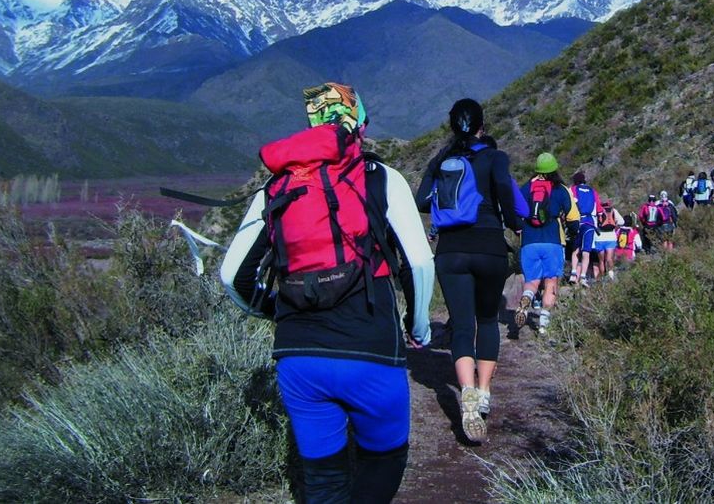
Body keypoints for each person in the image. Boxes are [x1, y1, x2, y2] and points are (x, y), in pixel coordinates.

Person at [220, 82, 434, 503]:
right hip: (371, 350)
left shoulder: (278, 187)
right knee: (385, 460)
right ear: (359, 122)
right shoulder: (380, 178)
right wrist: (418, 325)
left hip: (299, 357)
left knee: (322, 480)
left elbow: (233, 275)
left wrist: (278, 310)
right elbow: (419, 263)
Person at [416, 98, 522, 444]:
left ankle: (467, 394)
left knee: (462, 324)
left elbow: (421, 201)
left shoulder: (443, 160)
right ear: (482, 125)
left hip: (451, 252)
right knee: (488, 320)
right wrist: (514, 223)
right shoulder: (495, 157)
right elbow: (506, 192)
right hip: (490, 247)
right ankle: (484, 388)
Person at [516, 152, 571, 335]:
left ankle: (526, 297)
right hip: (552, 241)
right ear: (555, 169)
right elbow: (573, 216)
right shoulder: (560, 189)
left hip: (529, 241)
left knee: (532, 281)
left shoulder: (525, 188)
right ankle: (543, 325)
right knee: (551, 282)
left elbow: (514, 211)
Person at [569, 171, 601, 287]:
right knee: (586, 251)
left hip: (577, 221)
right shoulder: (593, 191)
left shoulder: (573, 189)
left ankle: (573, 274)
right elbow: (598, 209)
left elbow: (569, 203)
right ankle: (583, 277)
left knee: (576, 249)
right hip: (590, 223)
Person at [593, 199, 624, 282]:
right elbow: (622, 222)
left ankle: (603, 278)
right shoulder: (613, 211)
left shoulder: (597, 211)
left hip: (599, 238)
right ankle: (611, 275)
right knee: (609, 259)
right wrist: (615, 226)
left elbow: (594, 224)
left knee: (601, 261)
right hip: (611, 237)